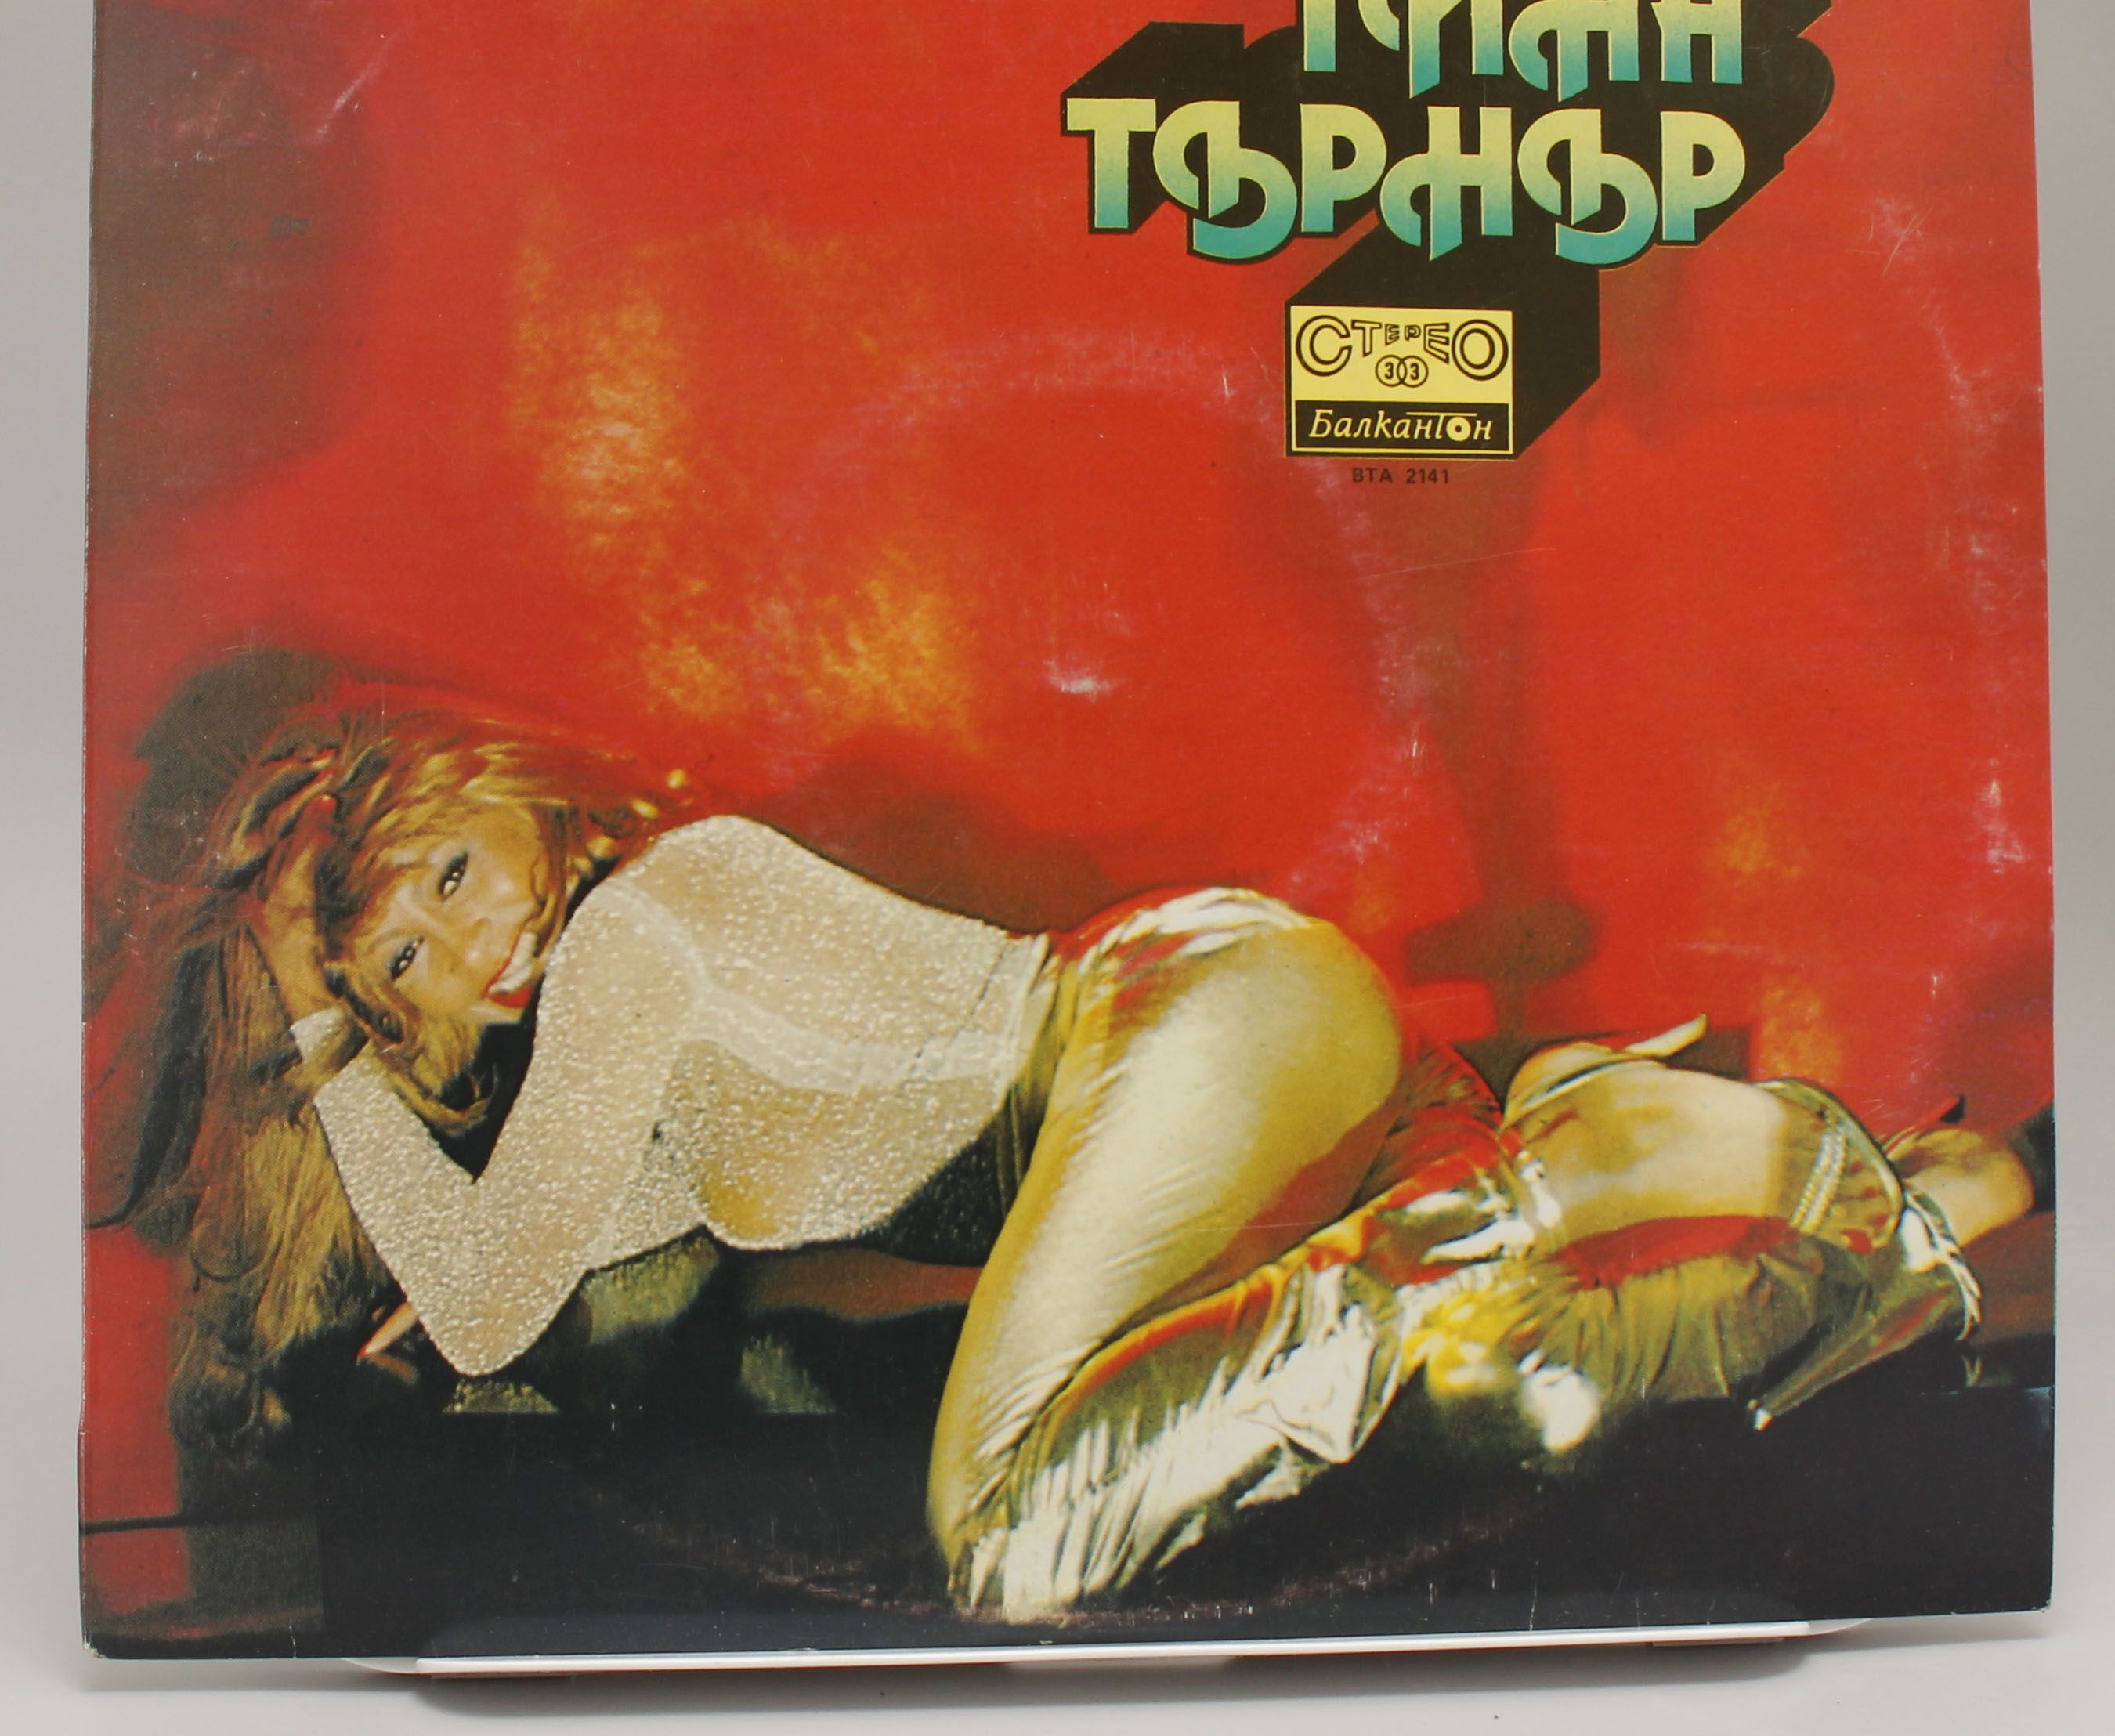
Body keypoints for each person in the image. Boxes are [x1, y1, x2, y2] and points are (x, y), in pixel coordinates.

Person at [99, 686, 2039, 1619]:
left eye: (455, 871)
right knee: (1516, 1372)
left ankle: (1557, 1162)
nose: (474, 947)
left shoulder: (633, 935)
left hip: (1197, 1025)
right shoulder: (635, 1051)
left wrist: (320, 1031)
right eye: (407, 959)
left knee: (1017, 1536)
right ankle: (1912, 1229)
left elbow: (485, 1293)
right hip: (1248, 1065)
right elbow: (507, 1299)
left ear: (517, 802)